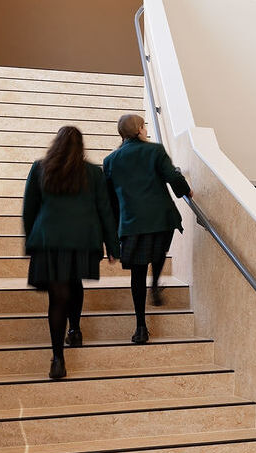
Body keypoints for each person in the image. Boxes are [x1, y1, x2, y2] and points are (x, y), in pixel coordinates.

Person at [21, 126, 119, 380]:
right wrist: (112, 247)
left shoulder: (40, 167)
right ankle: (74, 330)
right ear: (81, 148)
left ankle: (57, 359)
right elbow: (105, 211)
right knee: (74, 284)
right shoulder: (93, 173)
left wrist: (31, 241)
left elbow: (29, 209)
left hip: (49, 241)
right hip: (82, 240)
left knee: (57, 297)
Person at [102, 113, 191, 343]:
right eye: (144, 126)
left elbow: (110, 200)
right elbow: (172, 176)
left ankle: (140, 326)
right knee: (159, 253)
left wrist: (112, 233)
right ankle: (156, 282)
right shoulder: (155, 151)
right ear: (140, 129)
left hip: (131, 223)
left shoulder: (110, 160)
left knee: (137, 273)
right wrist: (186, 191)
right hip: (161, 218)